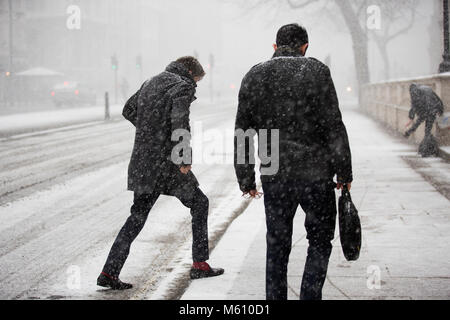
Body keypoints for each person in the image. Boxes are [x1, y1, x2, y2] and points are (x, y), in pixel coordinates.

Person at [234, 23, 353, 300]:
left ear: (274, 47)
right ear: (305, 47)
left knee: (277, 243)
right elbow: (334, 125)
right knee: (320, 240)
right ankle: (310, 295)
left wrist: (245, 177)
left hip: (274, 171)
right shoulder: (317, 71)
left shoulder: (255, 75)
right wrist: (343, 170)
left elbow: (243, 133)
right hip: (316, 172)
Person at [97, 56, 224, 290]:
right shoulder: (181, 85)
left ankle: (109, 272)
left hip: (143, 162)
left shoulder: (151, 82)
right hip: (167, 163)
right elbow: (179, 120)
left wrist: (151, 129)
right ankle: (199, 264)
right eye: (196, 80)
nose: (195, 85)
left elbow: (128, 109)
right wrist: (183, 155)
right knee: (200, 203)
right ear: (189, 72)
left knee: (137, 217)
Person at [404, 84, 444, 157]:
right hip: (433, 110)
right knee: (427, 129)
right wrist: (441, 110)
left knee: (423, 127)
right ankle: (428, 148)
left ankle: (426, 150)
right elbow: (437, 99)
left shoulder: (414, 92)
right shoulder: (427, 88)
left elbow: (413, 106)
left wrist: (411, 118)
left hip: (427, 110)